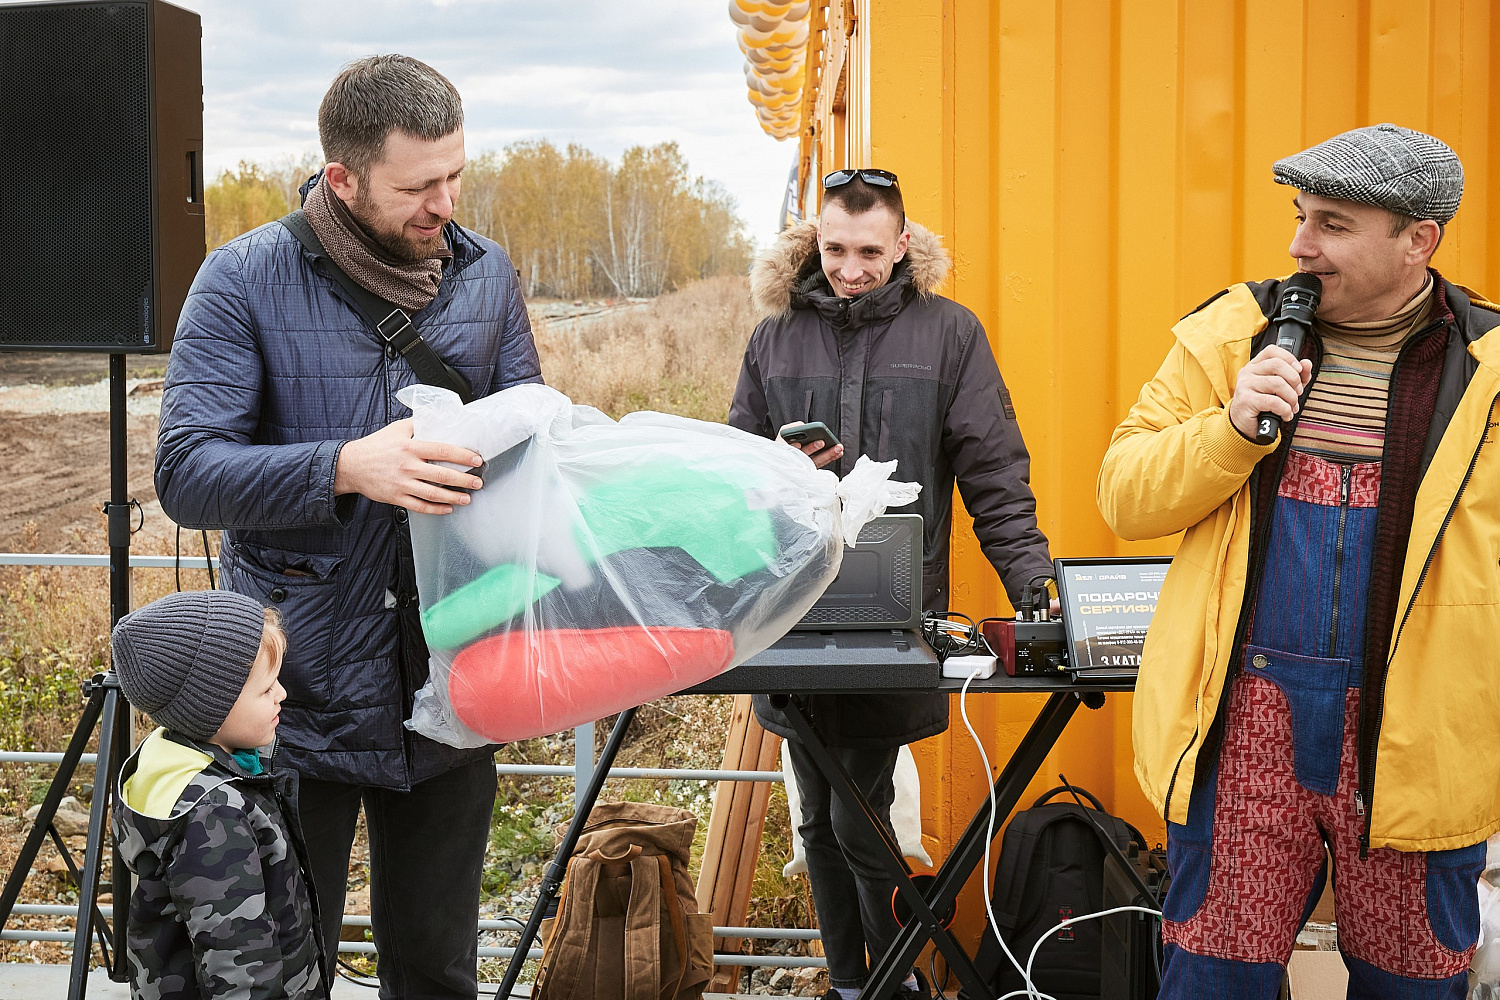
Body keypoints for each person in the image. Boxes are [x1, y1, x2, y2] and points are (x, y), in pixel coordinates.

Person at [155, 55, 541, 998]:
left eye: (456, 175)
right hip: (293, 699)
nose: (445, 204)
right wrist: (343, 466)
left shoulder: (488, 277)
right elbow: (185, 474)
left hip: (449, 684)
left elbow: (531, 438)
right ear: (342, 178)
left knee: (440, 971)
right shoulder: (240, 278)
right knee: (289, 975)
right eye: (417, 186)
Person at [1098, 123, 1500, 997]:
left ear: (1418, 240)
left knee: (1412, 987)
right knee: (1212, 981)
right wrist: (1231, 429)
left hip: (1415, 746)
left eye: (1332, 224)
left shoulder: (1491, 370)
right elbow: (1124, 495)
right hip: (1244, 730)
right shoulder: (1233, 337)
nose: (1298, 246)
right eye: (1299, 216)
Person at [729, 168, 1054, 999]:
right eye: (835, 249)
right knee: (816, 815)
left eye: (870, 251)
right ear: (815, 239)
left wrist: (1035, 586)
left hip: (894, 618)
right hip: (791, 615)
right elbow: (732, 471)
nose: (850, 268)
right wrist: (780, 469)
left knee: (852, 813)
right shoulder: (775, 337)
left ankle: (893, 982)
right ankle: (852, 983)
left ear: (903, 244)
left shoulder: (949, 334)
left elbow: (993, 472)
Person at [111, 590, 326, 1000]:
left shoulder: (171, 764)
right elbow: (239, 963)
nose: (281, 694)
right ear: (212, 708)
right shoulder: (213, 813)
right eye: (266, 690)